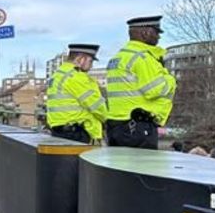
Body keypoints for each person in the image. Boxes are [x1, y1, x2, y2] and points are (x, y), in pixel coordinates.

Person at [105, 15, 177, 149]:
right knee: (142, 167)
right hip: (138, 127)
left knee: (119, 168)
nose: (159, 37)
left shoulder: (118, 57)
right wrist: (170, 79)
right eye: (156, 32)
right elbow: (155, 89)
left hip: (116, 125)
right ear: (145, 33)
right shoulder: (142, 57)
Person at [46, 44, 108, 144]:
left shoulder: (58, 74)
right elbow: (97, 106)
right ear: (81, 59)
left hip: (59, 132)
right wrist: (111, 121)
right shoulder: (77, 77)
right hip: (79, 134)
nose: (91, 66)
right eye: (90, 61)